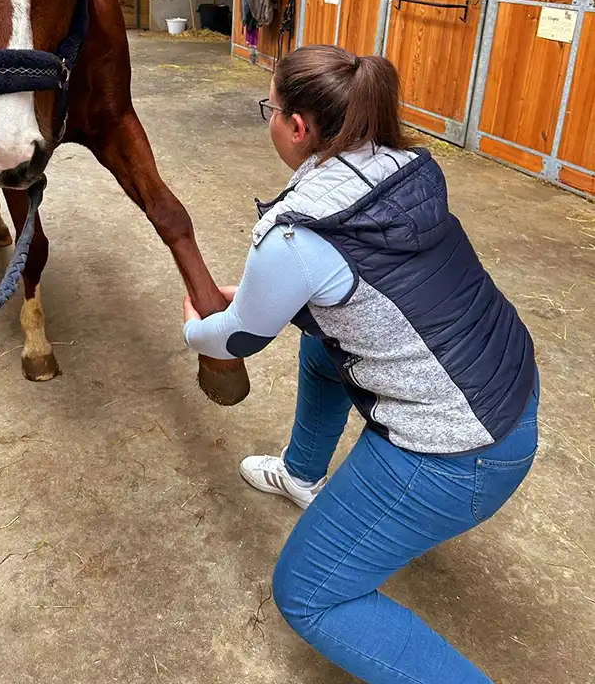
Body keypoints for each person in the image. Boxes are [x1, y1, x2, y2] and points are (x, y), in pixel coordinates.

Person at [182, 45, 538, 684]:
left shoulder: (295, 236)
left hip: (455, 456)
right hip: (513, 401)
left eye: (271, 108)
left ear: (297, 127)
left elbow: (236, 342)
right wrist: (267, 297)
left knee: (308, 593)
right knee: (323, 345)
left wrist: (194, 328)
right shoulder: (403, 166)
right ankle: (301, 474)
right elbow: (346, 288)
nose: (269, 119)